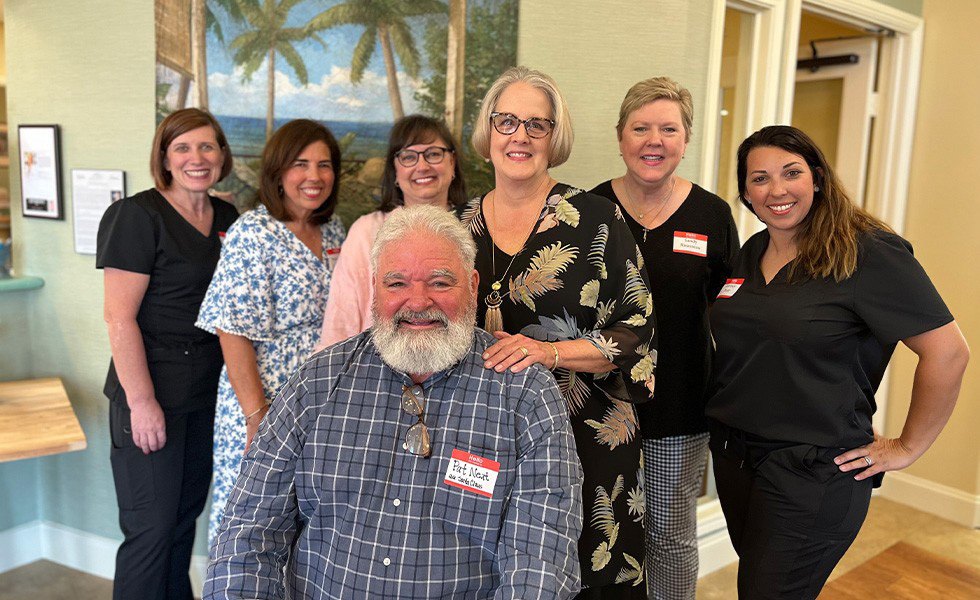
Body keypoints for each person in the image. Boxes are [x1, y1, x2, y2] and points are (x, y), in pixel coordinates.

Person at [204, 205, 584, 599]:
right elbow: (246, 535)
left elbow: (541, 563)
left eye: (439, 283)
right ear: (374, 287)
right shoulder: (317, 382)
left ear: (472, 285)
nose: (417, 302)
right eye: (397, 284)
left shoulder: (524, 392)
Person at [706, 125, 969, 599]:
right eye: (759, 178)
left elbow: (948, 351)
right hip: (737, 458)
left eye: (792, 173)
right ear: (745, 192)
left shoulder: (865, 251)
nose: (777, 189)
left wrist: (909, 446)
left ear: (818, 178)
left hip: (814, 470)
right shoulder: (752, 253)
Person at [459, 66, 657, 599]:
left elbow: (637, 336)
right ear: (489, 131)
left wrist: (548, 353)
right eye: (506, 121)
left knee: (585, 580)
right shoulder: (457, 226)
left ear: (555, 137)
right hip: (483, 444)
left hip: (586, 442)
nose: (519, 135)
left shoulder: (597, 220)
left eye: (536, 125)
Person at [590, 77, 739, 599]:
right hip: (596, 407)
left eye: (668, 129)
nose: (654, 140)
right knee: (596, 528)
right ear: (621, 136)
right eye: (641, 128)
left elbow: (734, 312)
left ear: (686, 138)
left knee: (670, 537)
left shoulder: (712, 215)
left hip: (679, 407)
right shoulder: (588, 211)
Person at [97, 108, 238, 600]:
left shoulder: (226, 217)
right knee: (151, 532)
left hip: (206, 395)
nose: (196, 158)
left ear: (222, 154)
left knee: (182, 524)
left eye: (207, 147)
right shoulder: (137, 216)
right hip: (151, 395)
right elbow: (119, 318)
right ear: (165, 157)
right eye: (183, 148)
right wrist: (142, 403)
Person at [196, 119, 347, 542]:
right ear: (278, 171)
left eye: (324, 165)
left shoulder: (333, 230)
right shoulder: (253, 232)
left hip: (318, 402)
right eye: (301, 164)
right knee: (253, 522)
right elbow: (233, 331)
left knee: (305, 525)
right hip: (262, 401)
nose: (314, 177)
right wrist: (256, 418)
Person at [317, 114, 467, 349]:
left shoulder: (474, 227)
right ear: (395, 171)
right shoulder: (366, 232)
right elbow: (340, 322)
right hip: (374, 375)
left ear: (453, 163)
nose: (422, 165)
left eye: (434, 154)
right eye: (408, 156)